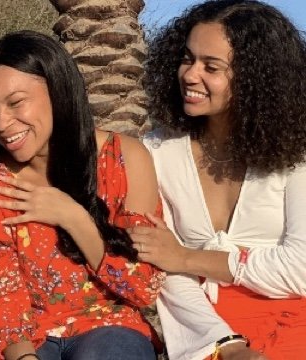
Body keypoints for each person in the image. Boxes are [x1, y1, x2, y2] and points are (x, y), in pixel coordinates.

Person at [0, 30, 164, 360]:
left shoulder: (124, 159)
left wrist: (74, 217)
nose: (2, 124)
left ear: (58, 91)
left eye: (16, 103)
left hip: (110, 328)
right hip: (24, 339)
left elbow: (142, 286)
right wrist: (24, 357)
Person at [133, 1, 306, 359]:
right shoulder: (157, 152)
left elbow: (301, 268)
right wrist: (225, 345)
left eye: (210, 66)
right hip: (205, 333)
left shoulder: (298, 154)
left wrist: (187, 257)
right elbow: (160, 266)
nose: (190, 75)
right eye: (186, 59)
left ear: (255, 77)